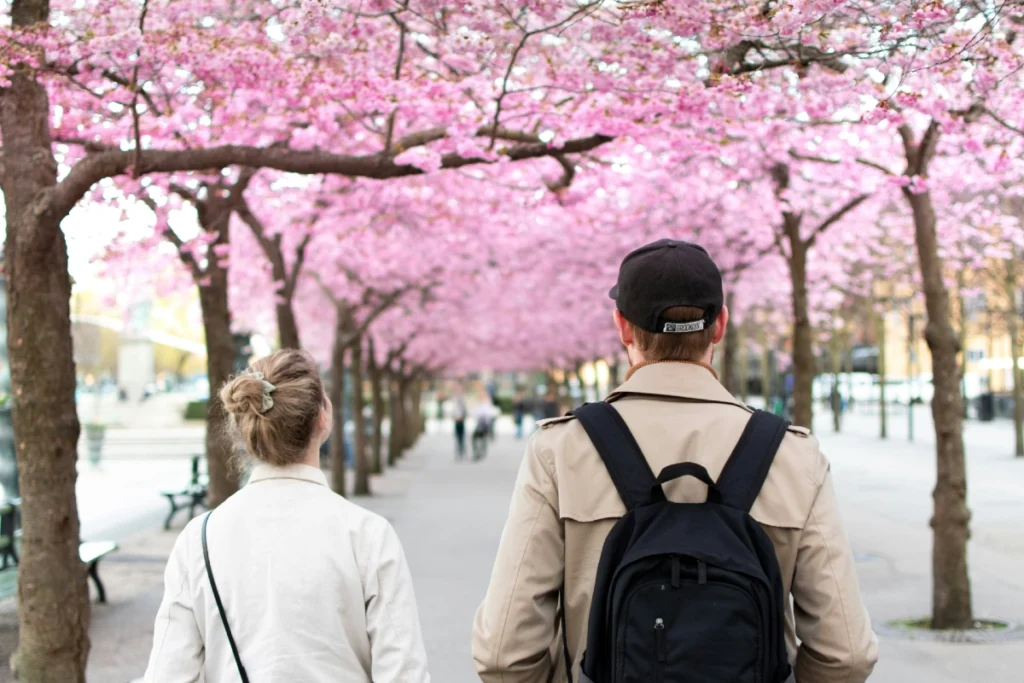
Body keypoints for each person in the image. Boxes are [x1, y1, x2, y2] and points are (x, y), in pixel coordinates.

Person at [473, 239, 876, 683]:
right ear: (720, 325)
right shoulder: (792, 454)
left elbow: (503, 655)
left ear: (623, 328)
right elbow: (848, 655)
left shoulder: (562, 450)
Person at [144, 349, 430, 683]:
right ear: (323, 417)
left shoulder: (200, 537)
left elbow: (168, 673)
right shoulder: (367, 534)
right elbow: (404, 673)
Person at [452, 386, 468, 459]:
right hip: (457, 421)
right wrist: (455, 417)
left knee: (462, 437)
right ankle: (458, 452)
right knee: (457, 437)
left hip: (461, 421)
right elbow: (453, 411)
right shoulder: (454, 401)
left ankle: (462, 452)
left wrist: (462, 418)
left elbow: (465, 411)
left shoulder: (463, 401)